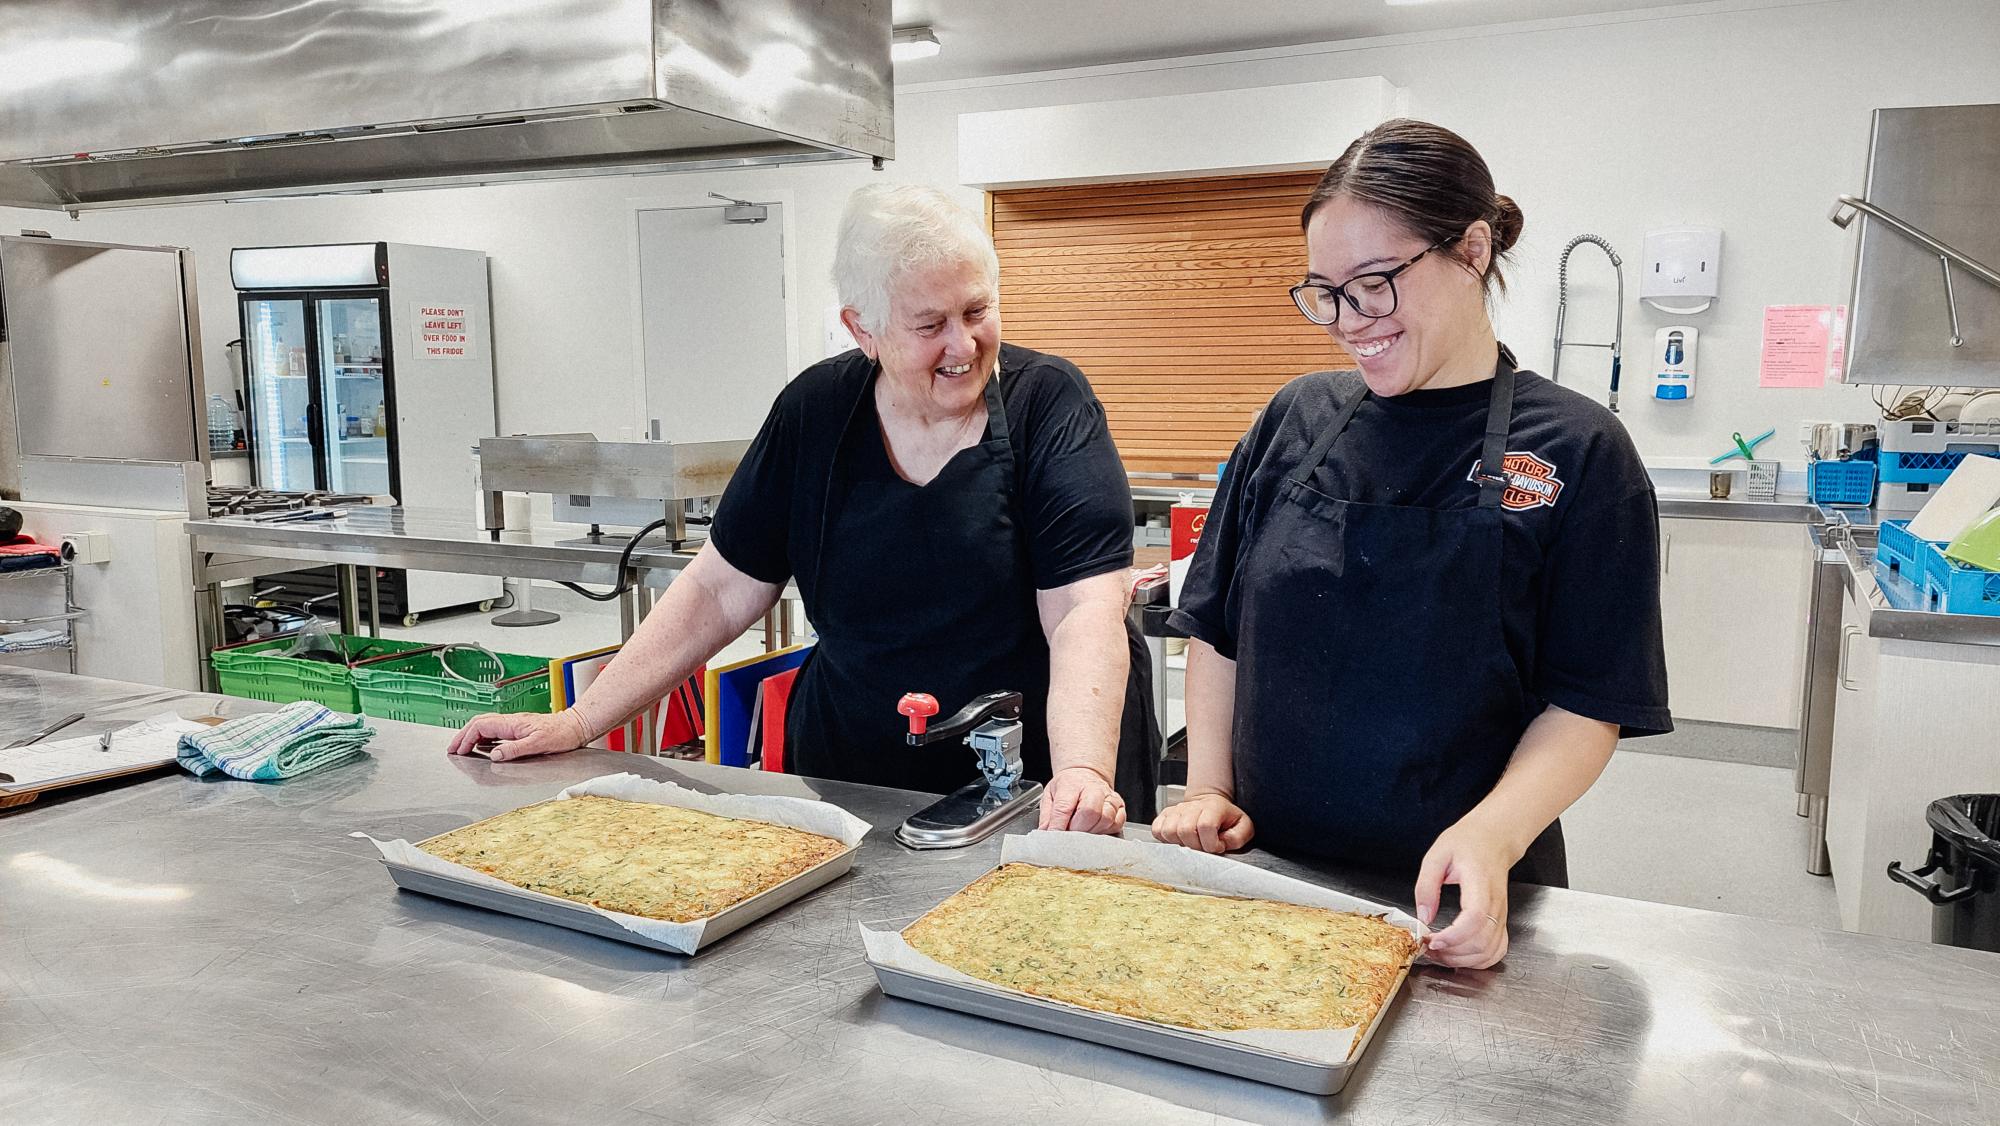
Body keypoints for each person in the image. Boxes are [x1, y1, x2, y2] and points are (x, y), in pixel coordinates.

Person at [450, 185, 1158, 830]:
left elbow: (1081, 610)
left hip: (1039, 770)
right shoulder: (815, 412)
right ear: (863, 329)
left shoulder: (1048, 403)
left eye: (977, 311)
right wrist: (578, 722)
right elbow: (722, 588)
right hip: (854, 760)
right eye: (929, 324)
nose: (962, 344)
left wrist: (1083, 774)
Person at [1152, 120, 1670, 967]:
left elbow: (1589, 702)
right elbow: (1217, 625)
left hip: (1459, 892)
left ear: (1470, 250)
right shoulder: (1295, 418)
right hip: (1265, 872)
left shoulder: (1580, 450)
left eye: (1376, 283)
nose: (1350, 321)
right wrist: (1208, 788)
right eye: (1325, 290)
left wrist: (1493, 836)